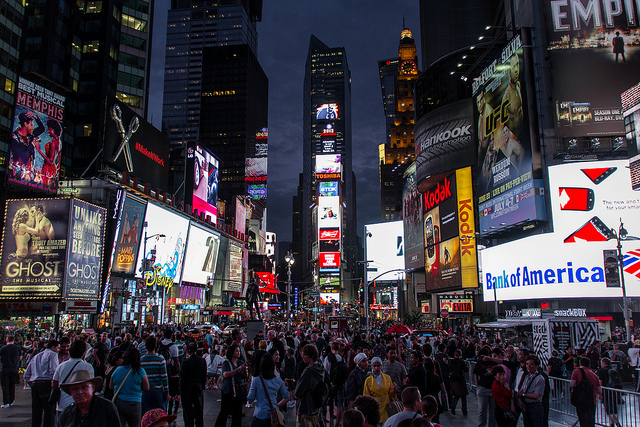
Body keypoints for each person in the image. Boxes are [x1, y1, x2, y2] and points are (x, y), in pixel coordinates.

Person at [247, 353, 290, 427]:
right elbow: (287, 396)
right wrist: (277, 405)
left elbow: (250, 398)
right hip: (273, 415)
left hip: (260, 414)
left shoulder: (256, 380)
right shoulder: (278, 380)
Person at [109, 347, 149, 427]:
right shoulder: (140, 371)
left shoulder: (118, 370)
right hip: (134, 403)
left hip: (120, 402)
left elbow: (111, 386)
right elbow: (146, 387)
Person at [53, 340, 94, 417]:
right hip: (80, 405)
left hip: (62, 405)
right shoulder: (87, 367)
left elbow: (54, 383)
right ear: (83, 354)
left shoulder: (61, 366)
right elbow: (90, 386)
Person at [24, 339, 59, 427]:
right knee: (49, 412)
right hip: (46, 384)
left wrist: (31, 383)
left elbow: (26, 374)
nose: (58, 350)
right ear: (53, 347)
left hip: (35, 384)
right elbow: (53, 371)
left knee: (36, 412)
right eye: (57, 348)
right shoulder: (53, 354)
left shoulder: (36, 356)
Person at [214, 344, 247, 427]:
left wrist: (245, 371)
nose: (238, 353)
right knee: (224, 411)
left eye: (239, 351)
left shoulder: (240, 362)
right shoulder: (226, 363)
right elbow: (226, 374)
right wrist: (238, 369)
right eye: (236, 351)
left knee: (237, 413)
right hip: (228, 390)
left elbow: (244, 377)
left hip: (238, 390)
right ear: (232, 352)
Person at [295, 344, 326, 427]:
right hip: (316, 406)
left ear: (311, 356)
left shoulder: (308, 371)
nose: (303, 357)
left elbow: (298, 392)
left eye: (305, 355)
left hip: (306, 408)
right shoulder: (321, 369)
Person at [9, 111, 44, 180]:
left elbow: (42, 129)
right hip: (18, 175)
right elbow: (22, 158)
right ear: (25, 124)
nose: (33, 128)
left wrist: (36, 117)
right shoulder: (14, 138)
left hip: (30, 174)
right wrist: (32, 144)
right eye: (31, 125)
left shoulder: (30, 134)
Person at [180, 342, 207, 427]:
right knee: (199, 408)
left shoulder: (185, 362)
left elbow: (182, 378)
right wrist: (202, 385)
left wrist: (181, 390)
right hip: (198, 386)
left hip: (187, 387)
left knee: (188, 410)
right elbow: (204, 375)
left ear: (188, 351)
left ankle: (189, 424)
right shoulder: (202, 361)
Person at [140, 336, 169, 414]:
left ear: (145, 346)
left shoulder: (141, 360)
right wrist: (167, 392)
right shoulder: (161, 359)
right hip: (158, 392)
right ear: (155, 346)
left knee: (146, 416)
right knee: (159, 416)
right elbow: (164, 377)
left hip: (145, 392)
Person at [570, 357, 601, 427]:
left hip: (581, 400)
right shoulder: (595, 376)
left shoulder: (576, 371)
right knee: (591, 422)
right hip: (592, 401)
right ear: (589, 365)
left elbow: (572, 385)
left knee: (583, 421)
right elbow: (599, 391)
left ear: (580, 363)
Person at [364, 356, 396, 423]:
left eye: (378, 366)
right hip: (375, 407)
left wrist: (394, 389)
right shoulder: (368, 380)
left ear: (381, 366)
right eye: (374, 366)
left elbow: (392, 395)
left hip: (386, 407)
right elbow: (366, 397)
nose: (376, 368)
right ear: (372, 367)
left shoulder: (387, 378)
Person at [33, 118, 61, 187]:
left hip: (48, 169)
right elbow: (59, 157)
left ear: (54, 129)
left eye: (49, 129)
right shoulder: (59, 141)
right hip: (52, 170)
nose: (48, 131)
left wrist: (38, 149)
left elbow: (50, 161)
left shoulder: (53, 142)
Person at [517, 357, 545, 427]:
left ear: (536, 366)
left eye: (531, 364)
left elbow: (536, 395)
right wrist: (519, 399)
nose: (528, 366)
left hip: (535, 407)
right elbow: (522, 389)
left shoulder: (540, 379)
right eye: (527, 364)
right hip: (526, 406)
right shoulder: (527, 377)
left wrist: (523, 395)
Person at [158, 329, 180, 415]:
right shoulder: (173, 346)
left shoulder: (160, 344)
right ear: (171, 336)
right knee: (172, 390)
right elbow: (176, 359)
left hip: (159, 368)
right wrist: (178, 370)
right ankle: (170, 410)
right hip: (170, 370)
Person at [596, 358, 622, 427]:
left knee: (609, 409)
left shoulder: (602, 371)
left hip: (606, 391)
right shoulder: (614, 370)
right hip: (615, 391)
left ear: (604, 363)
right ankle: (612, 423)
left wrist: (600, 392)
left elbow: (600, 382)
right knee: (612, 408)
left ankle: (617, 423)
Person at [0, 335, 21, 408]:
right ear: (13, 340)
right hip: (14, 369)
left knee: (5, 386)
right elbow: (20, 358)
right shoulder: (17, 348)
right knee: (12, 385)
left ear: (7, 340)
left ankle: (6, 402)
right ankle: (12, 400)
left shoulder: (3, 348)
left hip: (5, 369)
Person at [449, 349, 468, 416]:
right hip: (461, 379)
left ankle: (453, 405)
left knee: (456, 394)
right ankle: (464, 410)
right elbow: (465, 369)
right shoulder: (461, 362)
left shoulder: (451, 361)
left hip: (453, 379)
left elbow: (449, 368)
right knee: (463, 396)